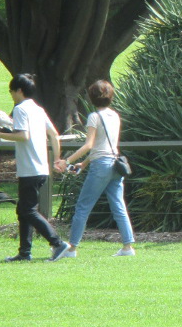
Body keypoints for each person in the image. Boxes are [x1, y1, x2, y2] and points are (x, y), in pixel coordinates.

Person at [0, 73, 71, 262]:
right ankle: (24, 252)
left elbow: (23, 136)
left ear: (19, 90)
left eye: (11, 91)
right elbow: (54, 135)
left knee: (28, 210)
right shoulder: (38, 109)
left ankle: (57, 243)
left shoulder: (21, 109)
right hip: (40, 168)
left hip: (29, 168)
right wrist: (56, 158)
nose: (11, 95)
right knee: (23, 209)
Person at [54, 79, 136, 257]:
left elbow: (89, 145)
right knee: (119, 206)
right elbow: (104, 145)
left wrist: (66, 161)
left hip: (101, 166)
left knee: (83, 207)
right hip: (115, 164)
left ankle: (72, 248)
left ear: (91, 98)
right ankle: (128, 247)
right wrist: (83, 164)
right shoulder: (115, 116)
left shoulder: (94, 117)